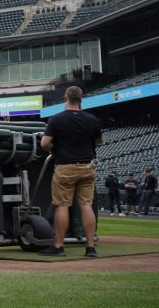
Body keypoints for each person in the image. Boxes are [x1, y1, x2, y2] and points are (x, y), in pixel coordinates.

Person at [39, 86, 103, 257]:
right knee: (86, 205)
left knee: (62, 206)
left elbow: (44, 143)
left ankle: (59, 247)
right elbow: (99, 140)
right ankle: (90, 247)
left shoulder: (56, 119)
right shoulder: (92, 119)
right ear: (81, 100)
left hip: (65, 166)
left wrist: (55, 149)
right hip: (87, 167)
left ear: (65, 98)